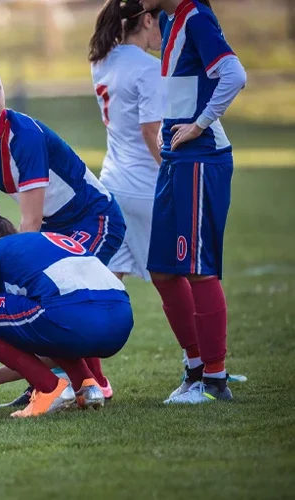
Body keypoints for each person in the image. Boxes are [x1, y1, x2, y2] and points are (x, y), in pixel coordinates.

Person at [0, 56, 126, 402]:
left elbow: (31, 223)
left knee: (55, 296)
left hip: (94, 218)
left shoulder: (24, 135)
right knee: (38, 298)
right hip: (56, 229)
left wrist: (14, 280)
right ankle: (66, 383)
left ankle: (88, 383)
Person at [137, 0, 246, 404]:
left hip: (201, 158)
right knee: (164, 271)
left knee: (198, 270)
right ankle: (195, 370)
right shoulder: (169, 19)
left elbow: (234, 75)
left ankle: (215, 382)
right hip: (176, 160)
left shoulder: (197, 17)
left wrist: (200, 124)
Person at [0, 201, 134, 418]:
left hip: (71, 317)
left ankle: (49, 388)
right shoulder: (45, 243)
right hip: (121, 320)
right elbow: (50, 344)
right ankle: (87, 385)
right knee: (45, 323)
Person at [89, 0, 164, 281]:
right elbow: (150, 131)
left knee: (109, 280)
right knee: (176, 278)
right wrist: (173, 172)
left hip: (112, 184)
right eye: (161, 20)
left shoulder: (100, 60)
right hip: (146, 187)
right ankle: (206, 328)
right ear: (147, 20)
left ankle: (99, 326)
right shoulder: (149, 68)